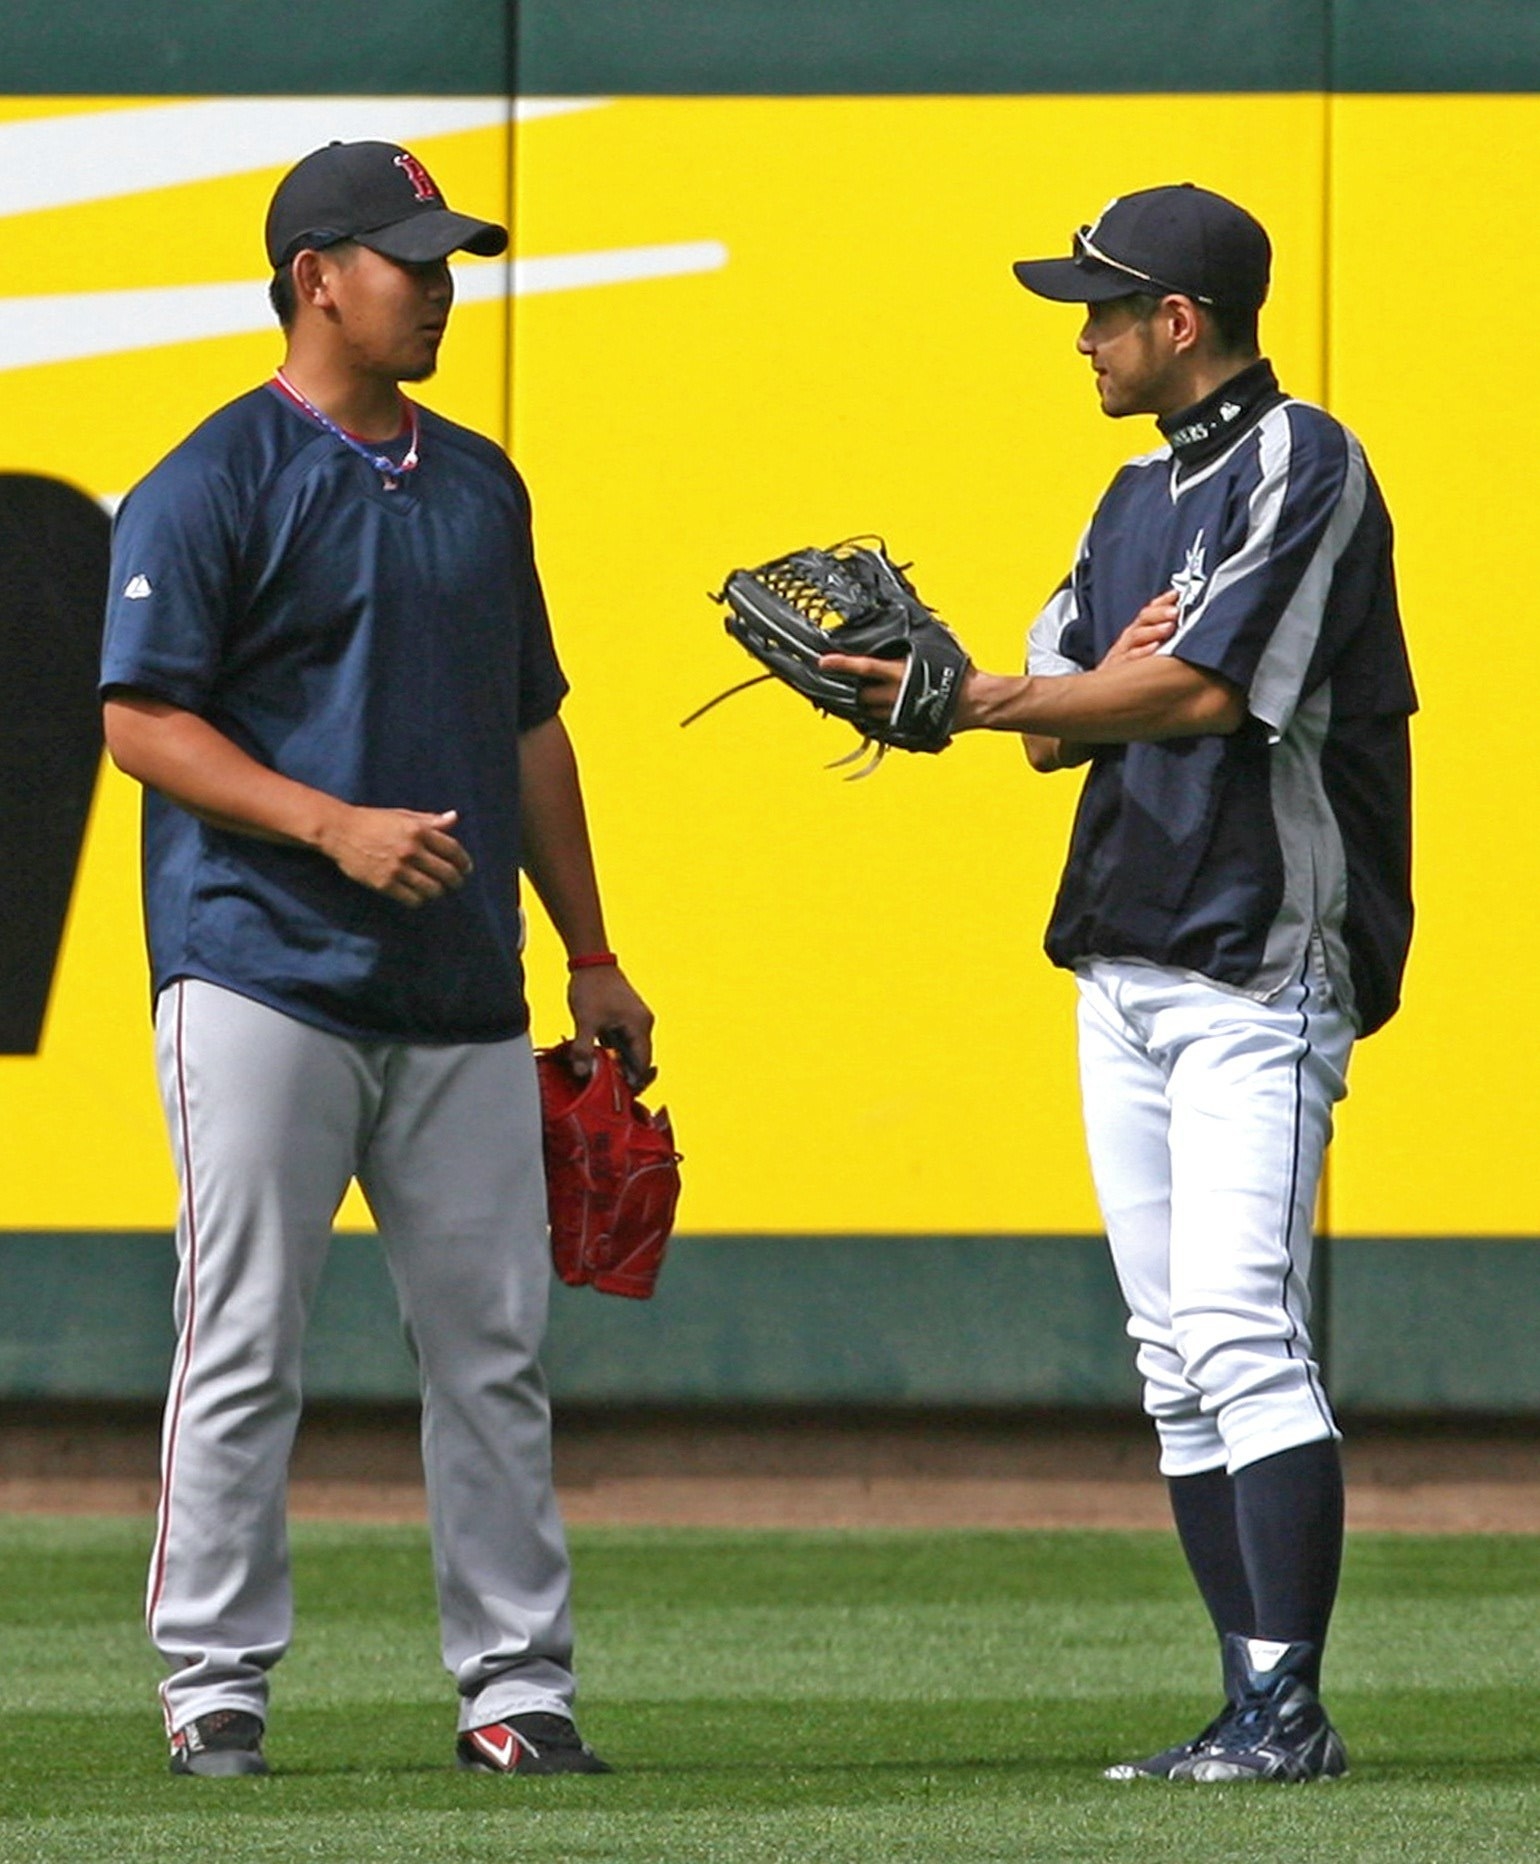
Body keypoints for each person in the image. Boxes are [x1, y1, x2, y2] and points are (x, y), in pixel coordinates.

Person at [825, 183, 1415, 1783]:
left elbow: (1201, 689)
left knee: (1238, 1324)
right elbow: (1054, 726)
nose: (1079, 335)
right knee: (1171, 1357)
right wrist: (1074, 685)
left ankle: (1287, 1711)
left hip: (1260, 949)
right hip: (1127, 942)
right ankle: (1253, 1701)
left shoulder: (1308, 459)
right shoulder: (1122, 500)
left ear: (1184, 322)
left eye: (1101, 307)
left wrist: (1057, 683)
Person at [100, 140, 654, 1780]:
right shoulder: (213, 477)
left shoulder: (483, 482)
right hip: (259, 963)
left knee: (492, 1351)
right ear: (312, 279)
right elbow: (140, 721)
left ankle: (516, 1688)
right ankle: (214, 1684)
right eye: (408, 257)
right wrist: (327, 825)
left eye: (451, 255)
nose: (441, 283)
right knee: (246, 1335)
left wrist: (594, 948)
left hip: (462, 984)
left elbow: (533, 724)